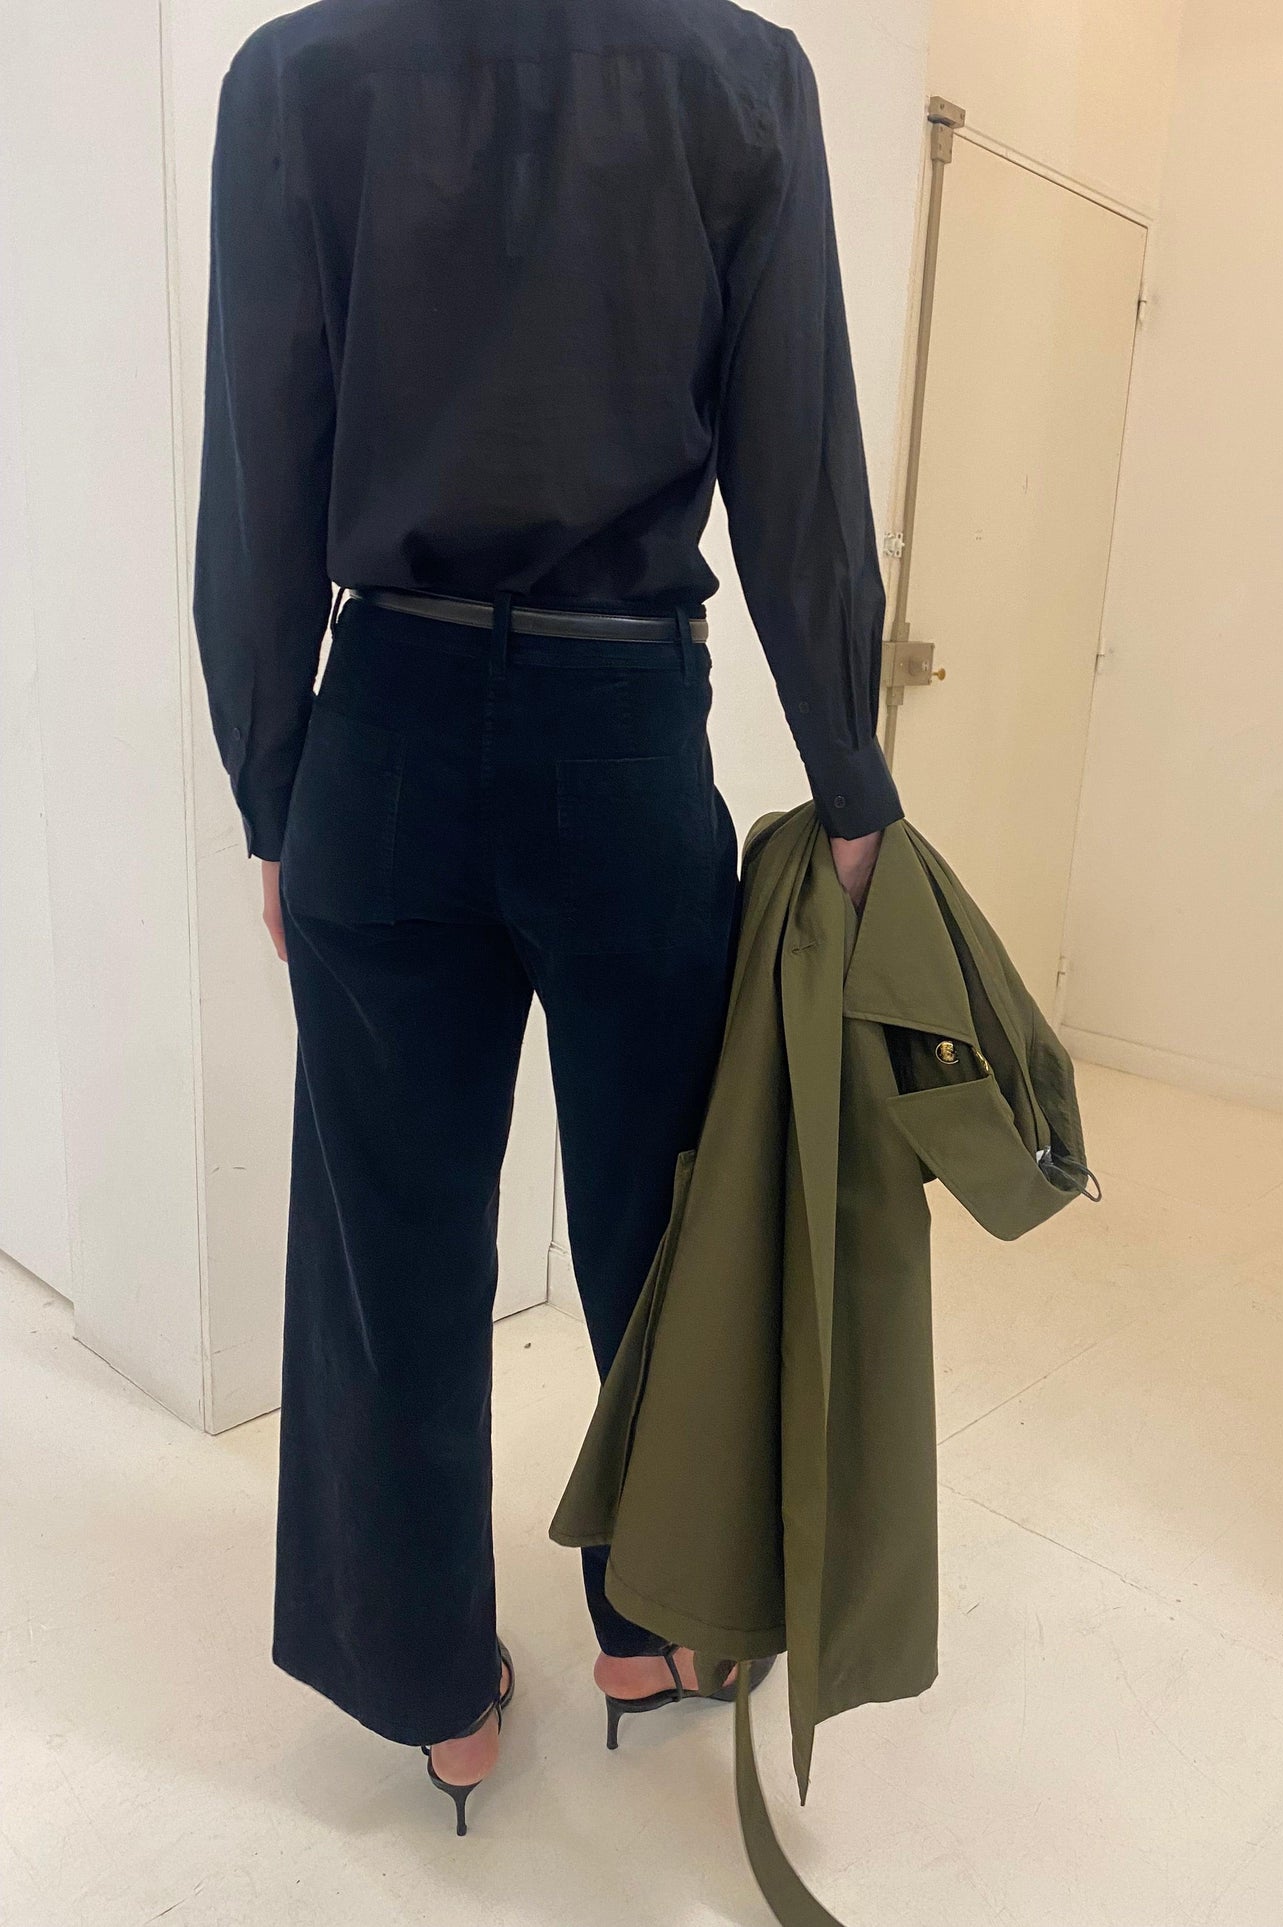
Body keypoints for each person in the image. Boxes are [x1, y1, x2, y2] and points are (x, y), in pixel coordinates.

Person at [192, 0, 904, 1829]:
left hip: (384, 734)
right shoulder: (738, 77)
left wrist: (275, 788)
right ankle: (659, 1626)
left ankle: (429, 1690)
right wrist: (848, 778)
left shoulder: (295, 76)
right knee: (667, 1221)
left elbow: (260, 459)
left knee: (387, 1246)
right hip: (619, 735)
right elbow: (797, 450)